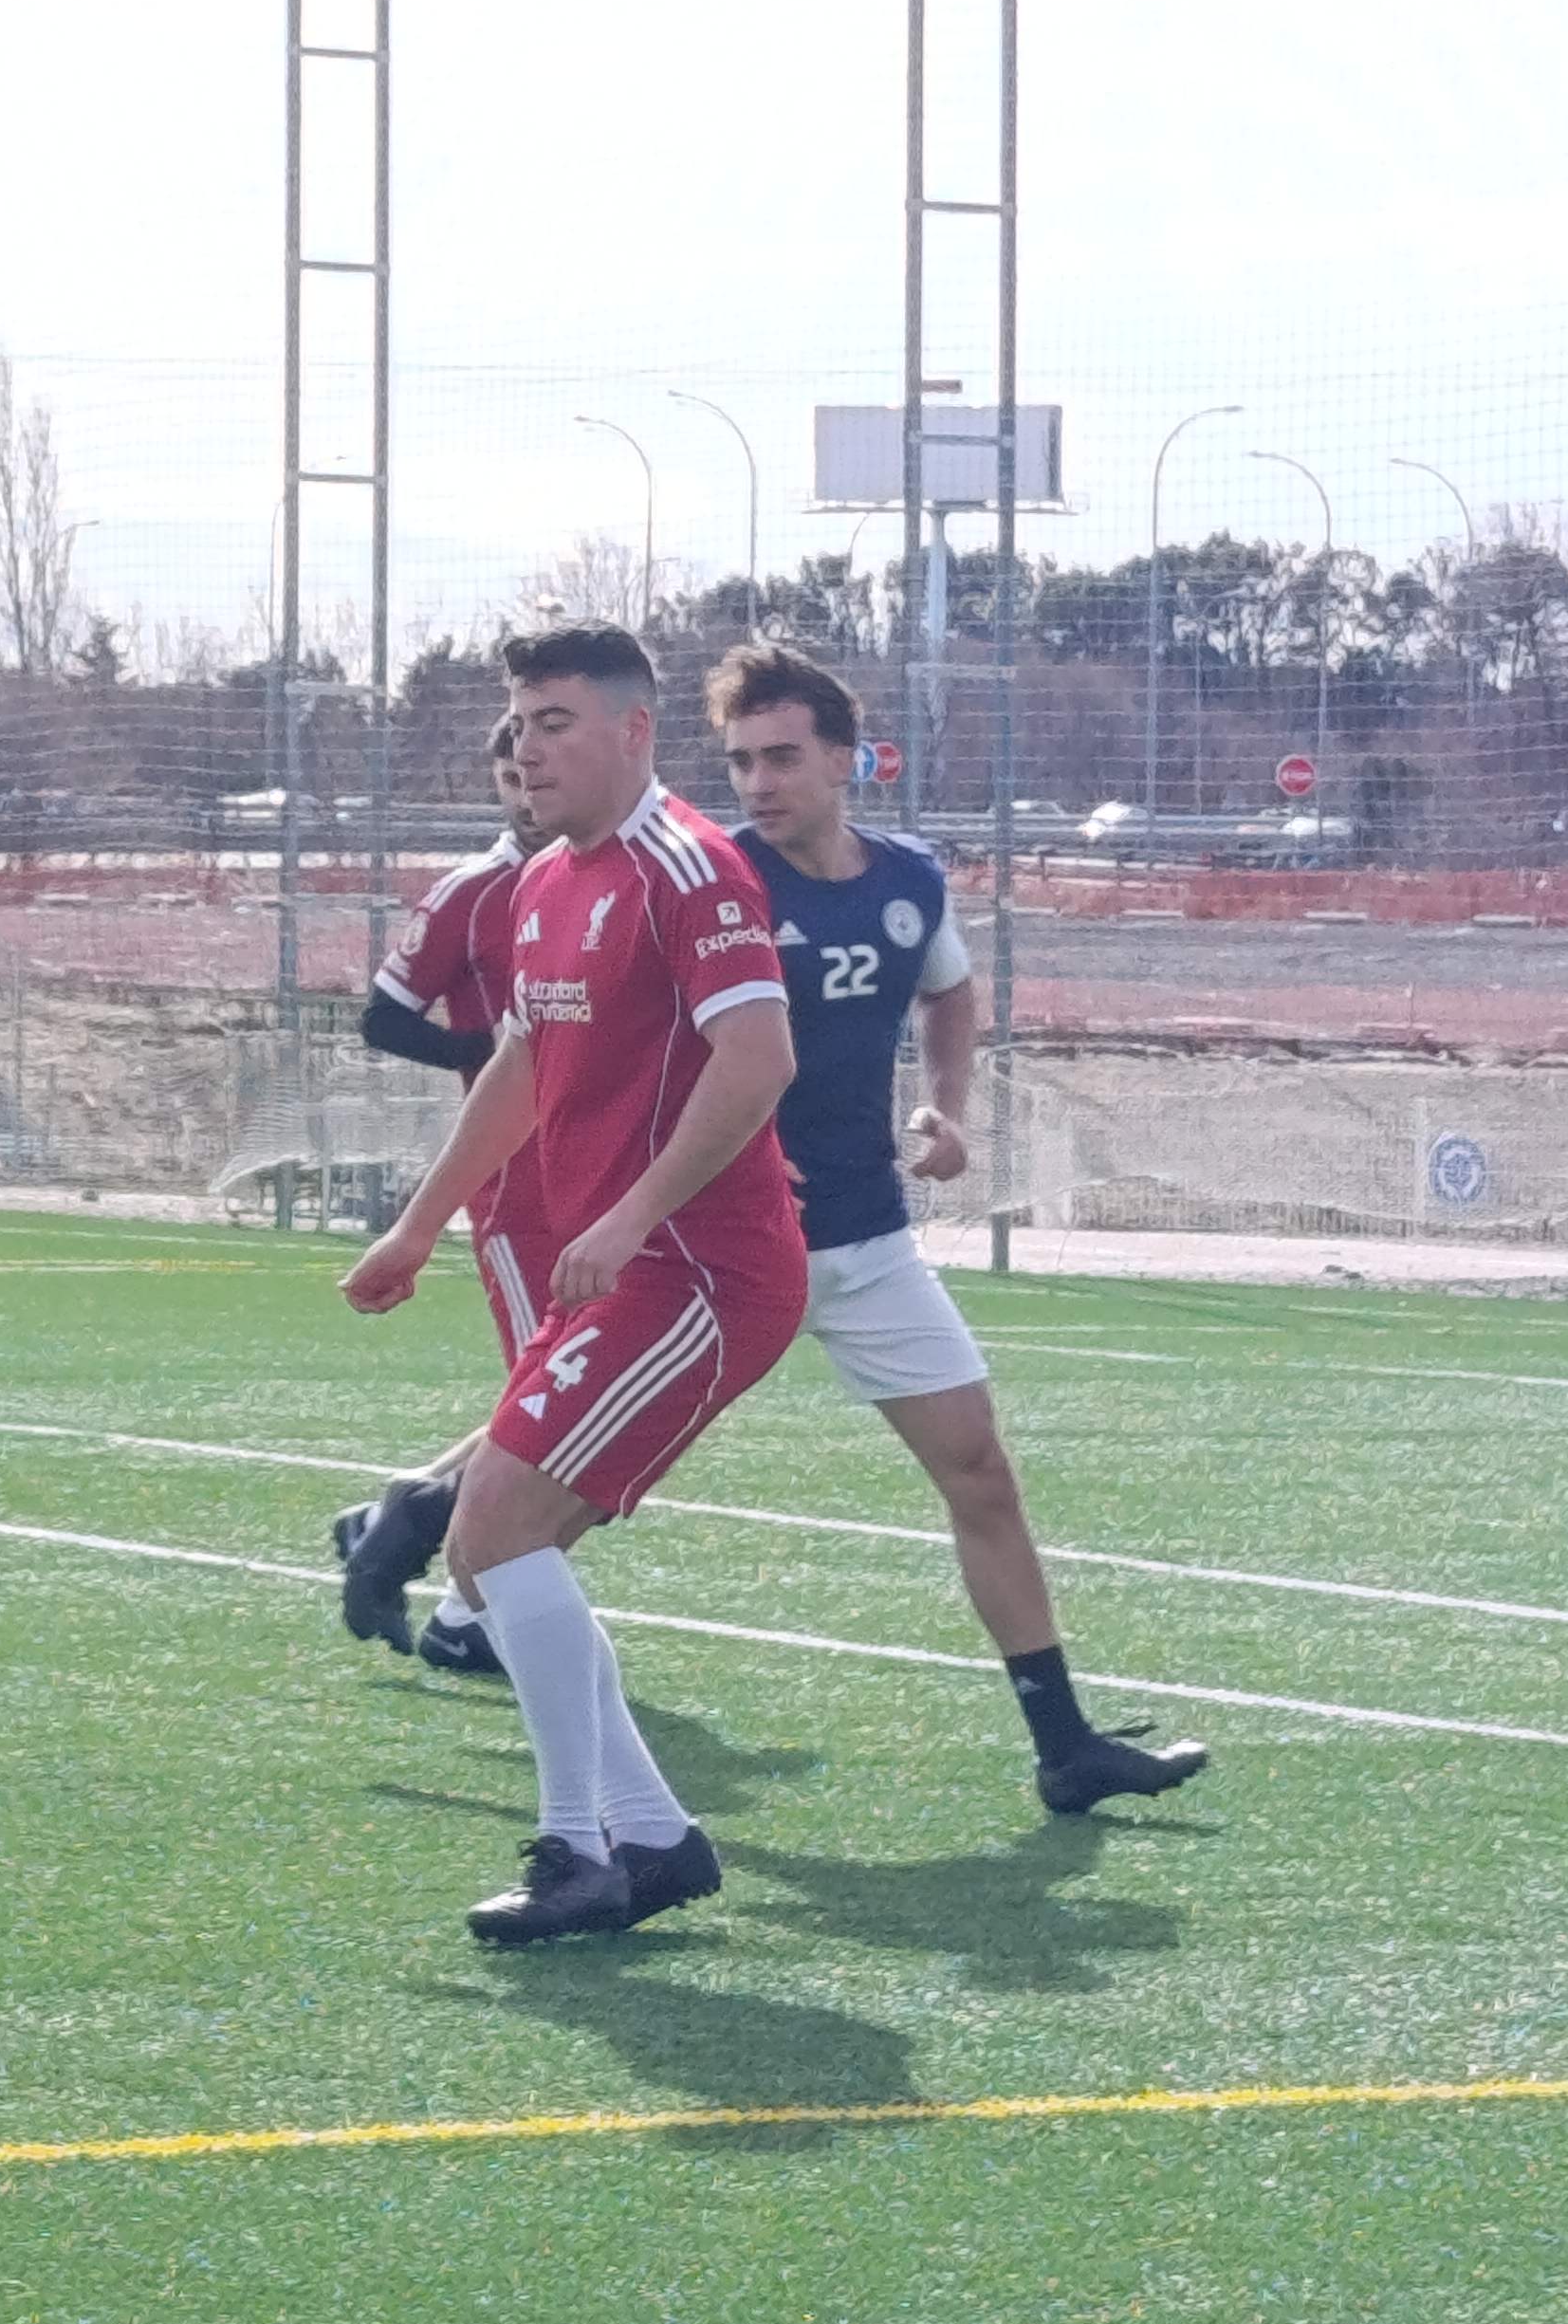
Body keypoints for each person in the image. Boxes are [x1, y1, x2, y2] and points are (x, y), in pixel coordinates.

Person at [341, 624, 808, 1945]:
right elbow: (519, 1070)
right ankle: (649, 1839)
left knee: (493, 1531)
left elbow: (759, 1060)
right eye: (519, 724)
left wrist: (634, 1210)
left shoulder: (691, 869)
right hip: (620, 1274)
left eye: (554, 721)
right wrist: (417, 1227)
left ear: (632, 730)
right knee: (495, 1541)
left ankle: (579, 1851)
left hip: (703, 1273)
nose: (527, 748)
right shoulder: (544, 881)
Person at [710, 642, 1206, 1815]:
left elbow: (948, 989)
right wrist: (722, 1159)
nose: (759, 783)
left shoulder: (911, 880)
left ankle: (1065, 1747)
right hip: (728, 1246)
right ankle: (425, 1516)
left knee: (980, 1472)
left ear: (846, 759)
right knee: (576, 1474)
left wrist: (948, 1107)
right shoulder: (710, 884)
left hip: (866, 1238)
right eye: (740, 761)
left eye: (782, 757)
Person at [331, 711, 554, 1675]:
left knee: (574, 1400)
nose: (529, 790)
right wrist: (486, 1050)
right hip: (516, 1179)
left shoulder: (617, 876)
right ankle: (467, 1608)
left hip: (610, 1175)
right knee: (557, 1405)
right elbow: (383, 1017)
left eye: (539, 766)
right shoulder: (475, 891)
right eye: (510, 776)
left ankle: (407, 1513)